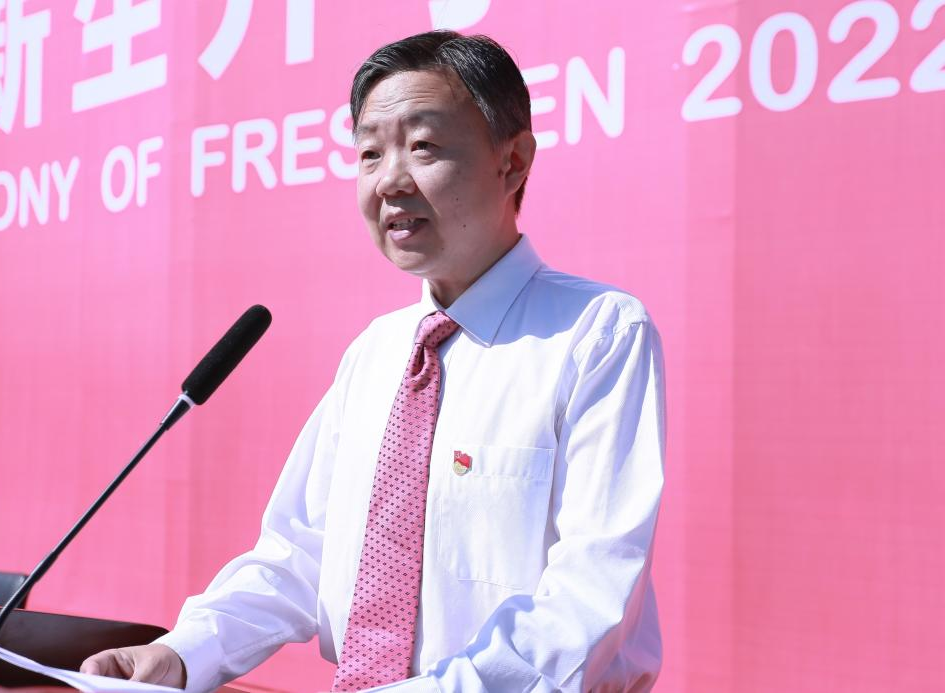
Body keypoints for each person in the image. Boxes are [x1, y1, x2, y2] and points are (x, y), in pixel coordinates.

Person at [82, 30, 665, 692]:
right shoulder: (378, 351)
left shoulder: (597, 333)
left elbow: (589, 594)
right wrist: (183, 653)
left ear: (512, 162)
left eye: (423, 146)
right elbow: (299, 553)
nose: (389, 180)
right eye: (369, 153)